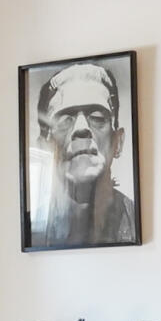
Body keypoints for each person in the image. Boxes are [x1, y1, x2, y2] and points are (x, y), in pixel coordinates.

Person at [29, 60, 137, 247]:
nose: (81, 128)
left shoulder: (133, 218)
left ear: (118, 142)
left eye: (97, 118)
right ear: (46, 147)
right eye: (64, 121)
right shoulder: (34, 230)